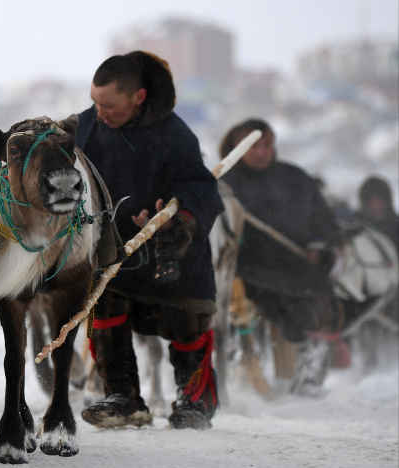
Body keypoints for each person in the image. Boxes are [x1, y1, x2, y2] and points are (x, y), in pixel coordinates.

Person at [75, 51, 225, 430]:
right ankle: (123, 397)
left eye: (109, 104)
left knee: (185, 320)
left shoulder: (176, 135)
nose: (100, 111)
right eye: (95, 101)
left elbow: (200, 188)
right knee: (105, 307)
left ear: (138, 97)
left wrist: (178, 219)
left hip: (170, 247)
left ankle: (194, 399)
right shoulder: (87, 128)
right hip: (114, 248)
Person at [219, 118, 342, 396]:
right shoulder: (223, 184)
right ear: (236, 146)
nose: (262, 151)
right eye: (253, 146)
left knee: (324, 305)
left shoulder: (296, 178)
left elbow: (324, 221)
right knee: (230, 307)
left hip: (294, 266)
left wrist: (319, 246)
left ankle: (308, 379)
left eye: (267, 144)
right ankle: (238, 371)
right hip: (244, 268)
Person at [357, 176, 399, 249]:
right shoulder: (356, 227)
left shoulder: (396, 228)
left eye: (381, 201)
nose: (378, 205)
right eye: (373, 202)